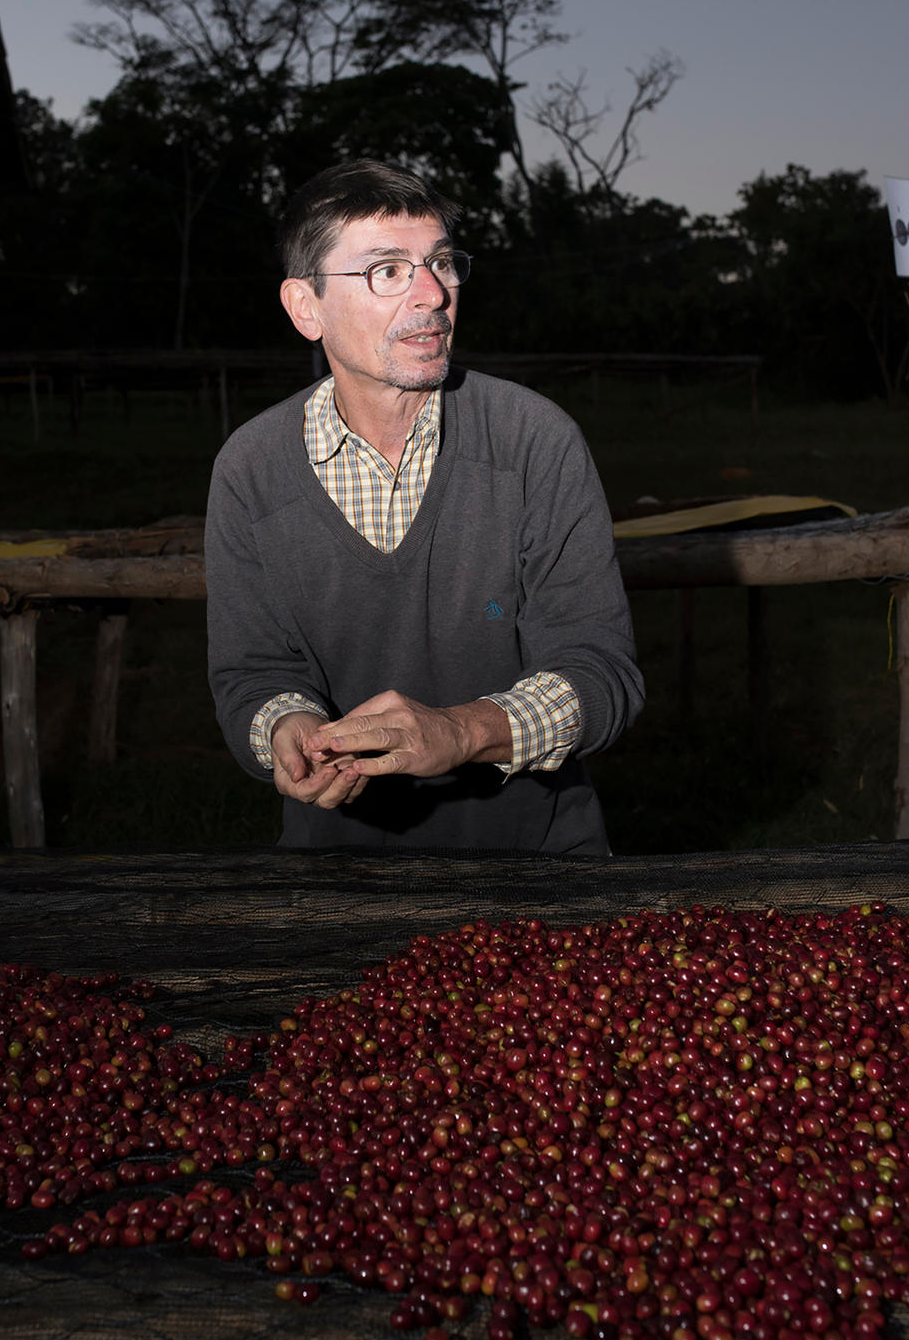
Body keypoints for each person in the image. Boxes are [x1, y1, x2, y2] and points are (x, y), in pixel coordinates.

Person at [206, 160, 644, 853]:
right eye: (387, 270)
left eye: (441, 261)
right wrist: (286, 730)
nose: (435, 293)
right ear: (305, 307)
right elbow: (253, 672)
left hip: (538, 866)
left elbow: (602, 671)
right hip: (335, 870)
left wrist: (461, 731)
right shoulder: (250, 469)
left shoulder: (534, 440)